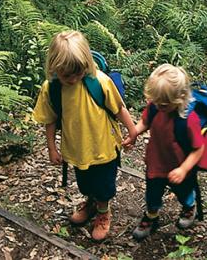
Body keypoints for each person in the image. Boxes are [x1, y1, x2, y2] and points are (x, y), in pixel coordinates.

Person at [32, 30, 138, 241]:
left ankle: (103, 211)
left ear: (86, 64)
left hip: (104, 146)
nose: (73, 79)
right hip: (77, 149)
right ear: (55, 68)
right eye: (66, 75)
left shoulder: (99, 81)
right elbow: (50, 120)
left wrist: (132, 130)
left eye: (77, 73)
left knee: (104, 186)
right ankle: (91, 203)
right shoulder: (51, 89)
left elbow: (118, 108)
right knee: (85, 183)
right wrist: (52, 148)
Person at [131, 64, 205, 241]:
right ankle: (151, 216)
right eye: (155, 102)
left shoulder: (188, 120)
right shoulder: (156, 106)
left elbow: (198, 148)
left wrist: (184, 169)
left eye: (163, 104)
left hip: (178, 166)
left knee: (184, 192)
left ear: (179, 99)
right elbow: (145, 121)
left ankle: (189, 207)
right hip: (156, 162)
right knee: (152, 193)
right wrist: (133, 133)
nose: (158, 106)